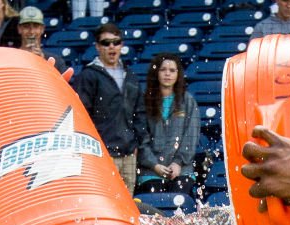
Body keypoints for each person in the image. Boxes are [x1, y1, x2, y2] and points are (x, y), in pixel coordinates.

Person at [72, 23, 141, 190]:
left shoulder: (130, 75)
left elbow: (139, 113)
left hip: (129, 154)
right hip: (103, 153)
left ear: (121, 45)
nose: (112, 46)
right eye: (106, 43)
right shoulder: (88, 75)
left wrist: (136, 144)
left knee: (128, 204)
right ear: (97, 47)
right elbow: (81, 116)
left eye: (116, 42)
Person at [134, 54, 198, 193]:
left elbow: (190, 137)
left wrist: (178, 163)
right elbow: (141, 139)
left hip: (182, 170)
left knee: (179, 202)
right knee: (154, 202)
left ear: (178, 74)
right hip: (150, 171)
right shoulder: (144, 102)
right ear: (156, 73)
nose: (167, 74)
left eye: (172, 70)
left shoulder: (187, 101)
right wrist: (154, 165)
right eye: (163, 70)